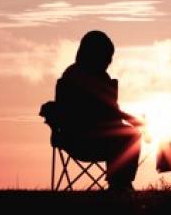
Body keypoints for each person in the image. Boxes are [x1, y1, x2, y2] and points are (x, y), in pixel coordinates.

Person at [52, 30, 142, 191]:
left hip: (95, 137)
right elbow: (105, 110)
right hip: (80, 139)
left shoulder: (97, 77)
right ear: (94, 55)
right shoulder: (76, 76)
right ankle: (120, 184)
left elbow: (111, 112)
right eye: (107, 56)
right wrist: (132, 120)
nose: (109, 61)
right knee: (131, 136)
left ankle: (120, 183)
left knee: (129, 135)